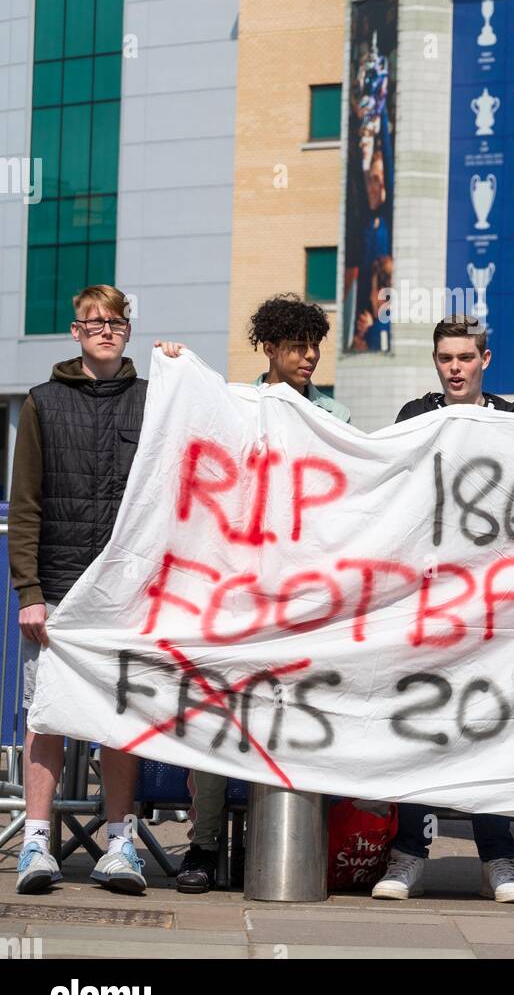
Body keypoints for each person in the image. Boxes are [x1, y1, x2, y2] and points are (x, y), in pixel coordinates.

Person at [10, 284, 182, 895]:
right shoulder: (41, 403)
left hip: (125, 596)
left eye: (116, 321)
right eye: (94, 321)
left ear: (127, 332)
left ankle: (121, 845)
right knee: (45, 717)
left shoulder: (156, 399)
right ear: (76, 332)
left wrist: (183, 370)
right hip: (56, 590)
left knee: (119, 719)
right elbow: (26, 505)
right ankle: (36, 842)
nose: (106, 330)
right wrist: (28, 589)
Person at [176, 293, 350, 894]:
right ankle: (203, 846)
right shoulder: (234, 406)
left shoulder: (338, 418)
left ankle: (291, 848)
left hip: (306, 602)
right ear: (270, 348)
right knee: (220, 724)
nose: (309, 356)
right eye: (297, 345)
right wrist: (178, 367)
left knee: (297, 726)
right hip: (237, 597)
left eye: (315, 345)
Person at [371, 318, 514, 904]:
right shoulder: (414, 415)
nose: (456, 367)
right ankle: (408, 854)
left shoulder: (513, 420)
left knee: (487, 726)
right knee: (421, 725)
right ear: (435, 362)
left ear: (486, 359)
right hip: (427, 600)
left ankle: (501, 860)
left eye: (466, 356)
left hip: (492, 605)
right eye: (446, 358)